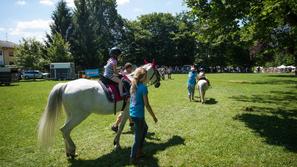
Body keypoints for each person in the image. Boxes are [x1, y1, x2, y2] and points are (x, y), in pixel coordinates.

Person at [129, 67, 158, 165]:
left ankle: (139, 151)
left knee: (145, 128)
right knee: (138, 137)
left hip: (133, 114)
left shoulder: (133, 85)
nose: (147, 77)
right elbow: (147, 105)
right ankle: (134, 157)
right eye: (146, 75)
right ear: (142, 77)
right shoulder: (143, 87)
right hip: (138, 115)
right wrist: (154, 117)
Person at [111, 62, 134, 132]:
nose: (131, 69)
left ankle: (132, 123)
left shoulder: (128, 73)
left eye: (131, 68)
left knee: (128, 110)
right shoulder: (124, 74)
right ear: (127, 68)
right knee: (124, 111)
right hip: (126, 95)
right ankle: (115, 126)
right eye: (130, 68)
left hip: (127, 94)